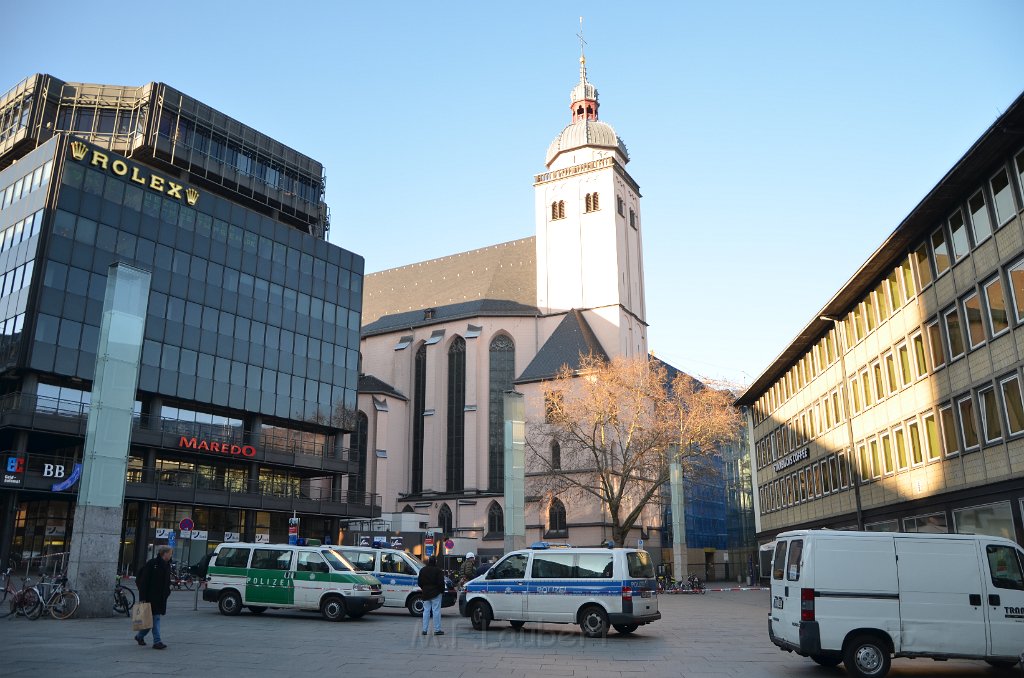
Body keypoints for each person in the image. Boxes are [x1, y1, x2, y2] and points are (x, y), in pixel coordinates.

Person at [134, 545, 173, 649]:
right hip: (150, 597)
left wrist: (167, 592)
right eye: (170, 553)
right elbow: (144, 581)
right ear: (164, 553)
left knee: (150, 621)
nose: (170, 555)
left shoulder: (167, 565)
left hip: (160, 597)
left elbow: (167, 581)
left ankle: (139, 636)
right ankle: (157, 641)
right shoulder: (152, 563)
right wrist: (142, 597)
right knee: (155, 619)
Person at [417, 556, 445, 636]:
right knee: (436, 611)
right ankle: (437, 630)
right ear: (435, 561)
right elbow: (441, 583)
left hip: (426, 593)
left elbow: (419, 582)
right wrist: (441, 591)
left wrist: (424, 588)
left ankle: (424, 630)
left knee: (426, 611)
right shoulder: (438, 571)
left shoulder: (423, 570)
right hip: (436, 593)